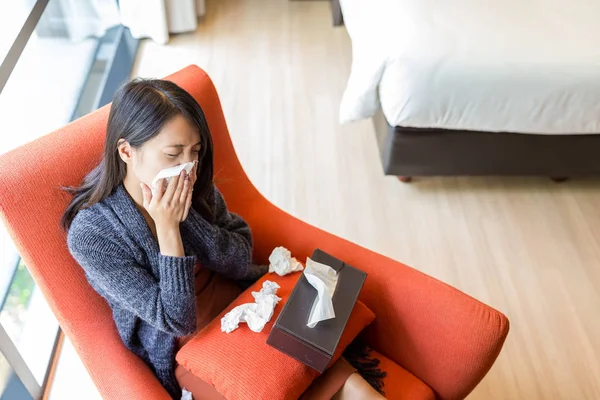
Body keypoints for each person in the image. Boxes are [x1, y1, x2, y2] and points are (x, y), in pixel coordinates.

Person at [62, 78, 384, 399]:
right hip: (193, 344)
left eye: (195, 152)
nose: (187, 166)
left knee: (350, 385)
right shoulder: (92, 235)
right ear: (126, 152)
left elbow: (241, 256)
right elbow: (177, 320)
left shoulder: (192, 180)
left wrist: (189, 219)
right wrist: (168, 229)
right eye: (173, 154)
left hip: (249, 301)